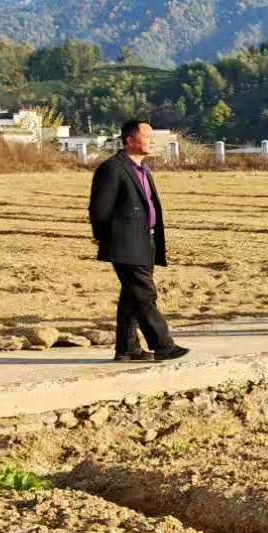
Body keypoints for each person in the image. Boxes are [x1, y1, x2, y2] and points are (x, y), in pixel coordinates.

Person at [87, 120, 189, 362]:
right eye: (147, 137)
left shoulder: (142, 169)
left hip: (146, 240)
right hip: (125, 243)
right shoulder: (112, 169)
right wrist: (109, 240)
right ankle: (163, 345)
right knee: (145, 293)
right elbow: (99, 210)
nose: (152, 141)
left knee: (132, 295)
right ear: (130, 140)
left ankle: (127, 347)